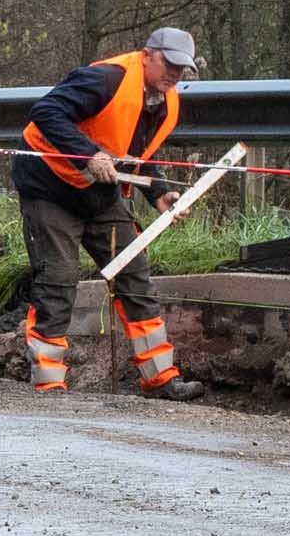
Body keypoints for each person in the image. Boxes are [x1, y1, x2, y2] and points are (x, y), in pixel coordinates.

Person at [11, 25, 200, 399]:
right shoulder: (104, 79)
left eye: (182, 69)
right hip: (49, 188)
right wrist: (88, 153)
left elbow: (134, 153)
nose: (175, 74)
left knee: (135, 275)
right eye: (169, 64)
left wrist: (160, 192)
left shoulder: (164, 102)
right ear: (147, 55)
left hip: (99, 193)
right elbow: (46, 111)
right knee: (59, 279)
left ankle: (161, 379)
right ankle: (48, 383)